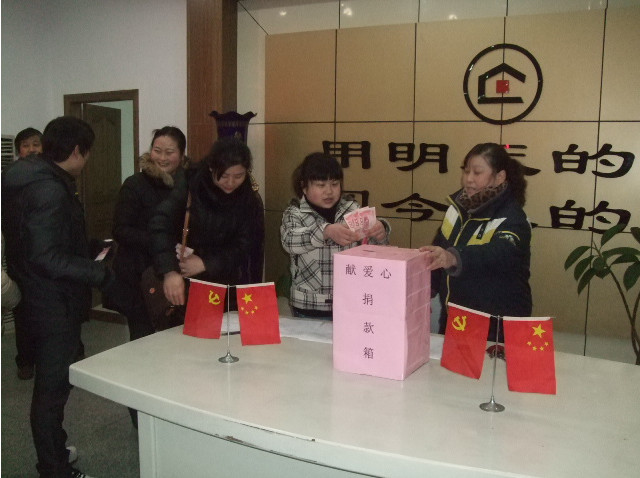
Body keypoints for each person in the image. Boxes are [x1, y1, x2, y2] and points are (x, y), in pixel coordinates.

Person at [2, 116, 114, 478]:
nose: (87, 160)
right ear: (78, 151)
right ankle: (54, 468)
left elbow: (40, 239)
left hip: (34, 294)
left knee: (50, 390)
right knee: (52, 392)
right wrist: (99, 273)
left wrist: (89, 247)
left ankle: (55, 451)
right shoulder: (49, 189)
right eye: (88, 153)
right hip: (52, 301)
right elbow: (45, 256)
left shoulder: (25, 175)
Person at [419, 142, 532, 343]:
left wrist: (454, 257)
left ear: (500, 177)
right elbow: (438, 256)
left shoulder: (512, 217)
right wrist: (424, 293)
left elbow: (499, 253)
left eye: (477, 172)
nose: (468, 179)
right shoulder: (456, 210)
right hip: (455, 321)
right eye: (466, 171)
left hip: (495, 328)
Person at [150, 136, 265, 309]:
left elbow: (246, 244)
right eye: (224, 175)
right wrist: (169, 271)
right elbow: (160, 225)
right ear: (211, 167)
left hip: (227, 282)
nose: (231, 183)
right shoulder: (190, 184)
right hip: (184, 280)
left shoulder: (249, 199)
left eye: (239, 176)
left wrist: (207, 263)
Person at [280, 152, 390, 319]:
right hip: (309, 304)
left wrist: (380, 232)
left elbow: (372, 250)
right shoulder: (295, 212)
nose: (329, 191)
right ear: (304, 186)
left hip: (349, 302)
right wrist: (326, 231)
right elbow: (289, 241)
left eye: (334, 184)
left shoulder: (352, 209)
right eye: (320, 185)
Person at [109, 126, 188, 340]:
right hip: (139, 272)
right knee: (143, 337)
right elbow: (121, 230)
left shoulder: (187, 185)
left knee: (176, 333)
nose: (162, 158)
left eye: (169, 152)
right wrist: (164, 244)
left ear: (181, 155)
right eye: (157, 150)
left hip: (177, 270)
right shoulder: (135, 184)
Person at [10, 127, 44, 379]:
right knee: (22, 310)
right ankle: (25, 360)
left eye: (36, 144)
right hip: (19, 255)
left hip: (45, 256)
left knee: (45, 309)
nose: (31, 149)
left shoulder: (51, 176)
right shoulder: (10, 178)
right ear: (18, 151)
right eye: (25, 145)